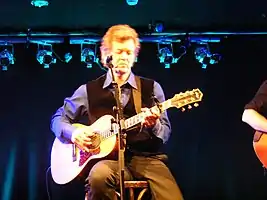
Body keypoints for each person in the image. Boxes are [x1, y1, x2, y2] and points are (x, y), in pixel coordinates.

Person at [50, 24, 183, 200]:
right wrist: (75, 133)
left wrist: (154, 125)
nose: (124, 57)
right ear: (107, 56)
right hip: (107, 162)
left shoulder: (151, 88)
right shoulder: (88, 90)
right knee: (98, 177)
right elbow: (58, 119)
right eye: (119, 51)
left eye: (129, 53)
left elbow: (165, 133)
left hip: (146, 160)